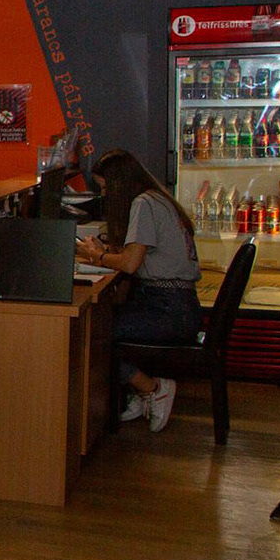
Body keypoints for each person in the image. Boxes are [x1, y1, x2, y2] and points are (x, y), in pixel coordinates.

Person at [76, 149, 202, 431]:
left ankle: (153, 388)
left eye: (106, 188)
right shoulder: (157, 198)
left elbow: (131, 264)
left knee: (95, 331)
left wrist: (97, 256)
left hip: (169, 311)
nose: (104, 195)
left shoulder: (144, 204)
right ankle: (139, 390)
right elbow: (137, 253)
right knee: (105, 321)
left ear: (119, 185)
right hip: (180, 306)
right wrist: (106, 252)